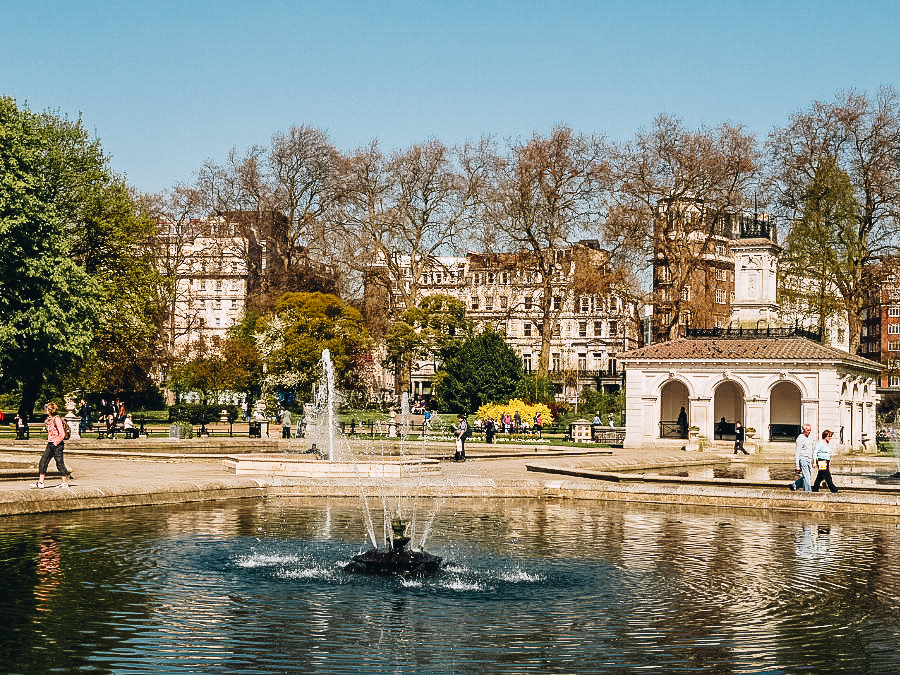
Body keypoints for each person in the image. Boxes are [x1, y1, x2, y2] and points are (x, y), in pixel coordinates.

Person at [33, 402, 71, 489]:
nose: (45, 410)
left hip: (57, 444)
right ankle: (41, 482)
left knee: (59, 463)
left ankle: (64, 482)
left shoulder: (56, 419)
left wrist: (55, 442)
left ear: (49, 410)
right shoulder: (49, 419)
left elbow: (62, 433)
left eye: (46, 408)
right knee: (43, 462)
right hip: (50, 443)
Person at [790, 423, 815, 493]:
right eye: (808, 430)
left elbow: (811, 449)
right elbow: (797, 452)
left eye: (810, 430)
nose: (809, 432)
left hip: (809, 459)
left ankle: (794, 485)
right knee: (807, 477)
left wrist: (813, 460)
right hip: (803, 459)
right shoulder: (800, 439)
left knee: (807, 477)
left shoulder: (810, 438)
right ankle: (808, 492)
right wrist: (797, 465)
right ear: (803, 430)